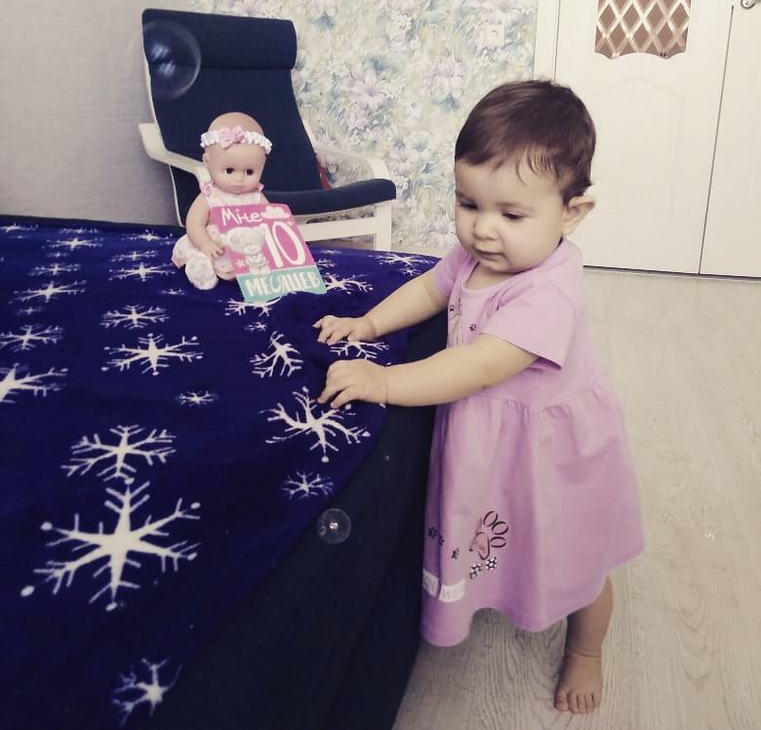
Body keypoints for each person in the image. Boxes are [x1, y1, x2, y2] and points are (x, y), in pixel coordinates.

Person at [314, 80, 644, 715]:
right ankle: (496, 582)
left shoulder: (548, 292)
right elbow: (429, 289)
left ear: (571, 213)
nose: (483, 229)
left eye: (512, 216)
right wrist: (369, 324)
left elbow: (480, 364)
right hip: (496, 438)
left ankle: (586, 648)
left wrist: (385, 382)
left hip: (552, 452)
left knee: (576, 555)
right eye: (468, 204)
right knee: (498, 530)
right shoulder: (472, 256)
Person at [171, 111, 272, 290]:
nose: (239, 179)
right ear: (207, 162)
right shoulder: (210, 195)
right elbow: (194, 223)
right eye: (229, 170)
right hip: (215, 244)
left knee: (262, 255)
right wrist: (204, 242)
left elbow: (271, 220)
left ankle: (253, 272)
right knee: (201, 251)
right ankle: (201, 269)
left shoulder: (256, 197)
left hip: (245, 246)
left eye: (249, 172)